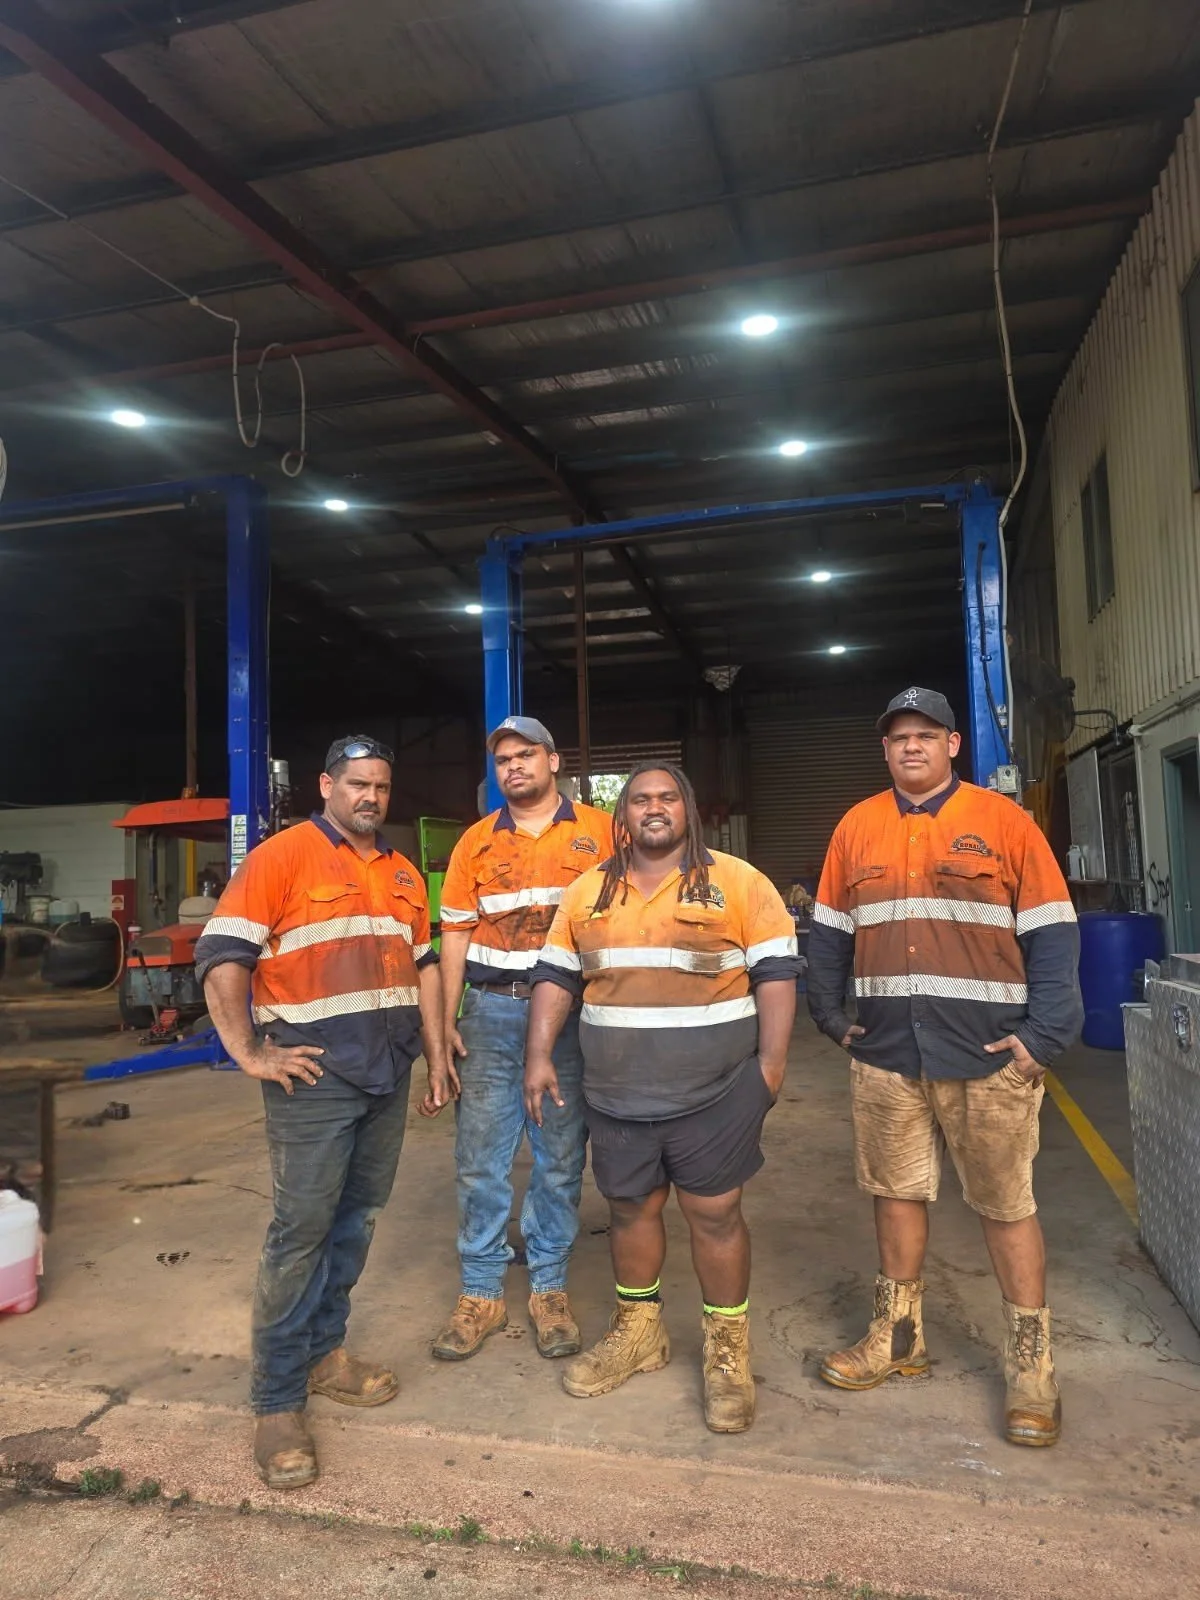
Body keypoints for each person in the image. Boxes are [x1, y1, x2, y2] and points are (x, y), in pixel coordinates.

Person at [807, 688, 1082, 1447]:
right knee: (894, 1192)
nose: (911, 748)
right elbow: (828, 932)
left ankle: (1032, 1366)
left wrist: (1044, 1035)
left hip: (988, 1055)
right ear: (885, 749)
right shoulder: (857, 827)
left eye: (926, 735)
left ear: (955, 744)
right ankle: (900, 1340)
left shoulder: (1006, 823)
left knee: (1005, 1205)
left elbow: (1055, 934)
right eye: (898, 738)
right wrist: (830, 1016)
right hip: (888, 1053)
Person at [195, 736, 451, 1490]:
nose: (369, 796)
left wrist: (436, 1056)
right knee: (300, 1234)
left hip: (385, 1075)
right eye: (356, 784)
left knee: (357, 1219)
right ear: (327, 785)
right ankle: (276, 1401)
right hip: (312, 1079)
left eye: (380, 785)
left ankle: (324, 1353)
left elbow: (426, 966)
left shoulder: (403, 872)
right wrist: (248, 1052)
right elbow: (222, 954)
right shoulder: (282, 858)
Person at [525, 763, 801, 1433]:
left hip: (715, 1093)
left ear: (688, 809)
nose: (653, 808)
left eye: (666, 797)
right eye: (640, 799)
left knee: (714, 1215)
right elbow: (557, 977)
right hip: (617, 1094)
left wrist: (770, 1066)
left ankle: (728, 1351)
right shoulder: (588, 892)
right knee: (629, 1211)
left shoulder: (739, 882)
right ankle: (639, 1330)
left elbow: (776, 974)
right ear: (623, 816)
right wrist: (537, 1053)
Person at [432, 717, 613, 1362]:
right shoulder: (475, 844)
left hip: (572, 1018)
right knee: (481, 1157)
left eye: (525, 754)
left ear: (553, 759)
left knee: (560, 1157)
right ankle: (481, 1291)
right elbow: (453, 933)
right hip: (492, 1011)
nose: (513, 767)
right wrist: (448, 1016)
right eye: (504, 759)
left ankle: (548, 1288)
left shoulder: (602, 832)